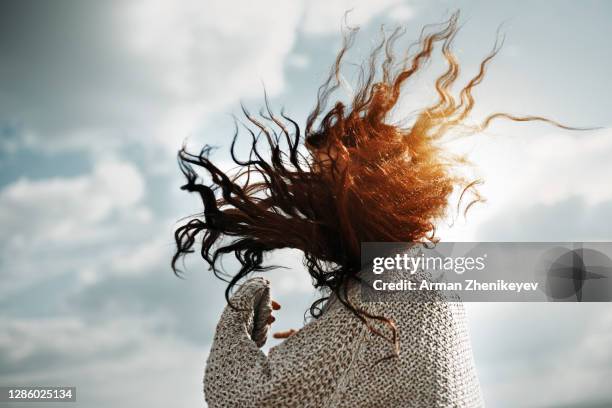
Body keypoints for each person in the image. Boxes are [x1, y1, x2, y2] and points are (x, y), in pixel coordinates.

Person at [172, 12, 574, 407]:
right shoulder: (430, 270)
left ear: (366, 190)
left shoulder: (378, 286)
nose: (312, 196)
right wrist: (323, 352)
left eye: (324, 181)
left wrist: (242, 308)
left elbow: (242, 397)